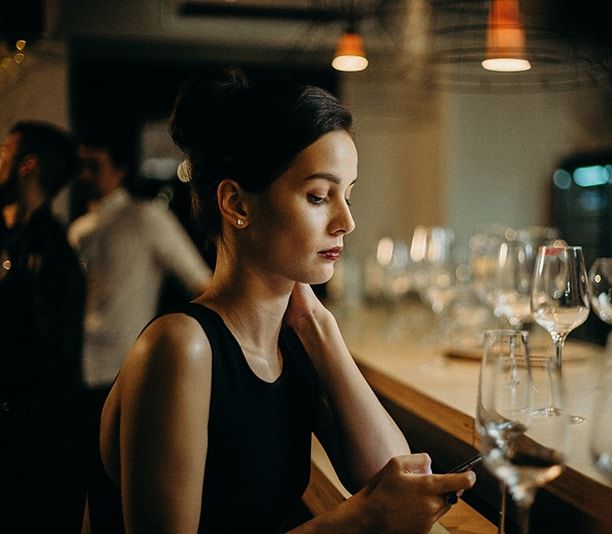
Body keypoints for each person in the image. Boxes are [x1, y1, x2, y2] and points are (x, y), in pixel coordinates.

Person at [86, 68, 476, 533]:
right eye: (319, 196)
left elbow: (394, 478)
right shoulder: (180, 347)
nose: (347, 222)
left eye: (348, 195)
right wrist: (358, 521)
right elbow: (379, 507)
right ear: (237, 204)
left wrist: (321, 328)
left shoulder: (295, 341)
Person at [67, 133, 212, 429]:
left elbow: (200, 282)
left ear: (120, 170)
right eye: (81, 166)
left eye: (95, 166)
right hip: (76, 365)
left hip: (125, 365)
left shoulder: (146, 218)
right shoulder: (77, 230)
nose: (84, 176)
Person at [0, 121, 86, 532]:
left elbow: (55, 358)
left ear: (27, 164)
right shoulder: (8, 237)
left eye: (4, 151)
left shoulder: (54, 255)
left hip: (26, 444)